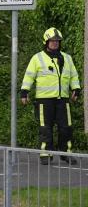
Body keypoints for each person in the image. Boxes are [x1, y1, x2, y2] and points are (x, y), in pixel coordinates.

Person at [20, 28, 81, 165]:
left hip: (63, 99)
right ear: (46, 42)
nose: (55, 43)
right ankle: (45, 154)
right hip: (44, 100)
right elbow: (29, 76)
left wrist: (76, 89)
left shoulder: (67, 58)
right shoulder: (37, 58)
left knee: (66, 127)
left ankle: (66, 154)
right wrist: (24, 91)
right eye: (52, 41)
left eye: (57, 41)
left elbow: (73, 76)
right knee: (45, 128)